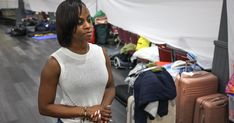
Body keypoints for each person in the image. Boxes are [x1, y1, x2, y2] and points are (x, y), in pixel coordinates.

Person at [38, 0, 115, 123]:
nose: (88, 25)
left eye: (89, 19)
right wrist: (86, 111)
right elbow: (44, 107)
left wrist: (101, 109)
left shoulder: (102, 53)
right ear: (66, 26)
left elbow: (110, 88)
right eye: (80, 22)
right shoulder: (54, 63)